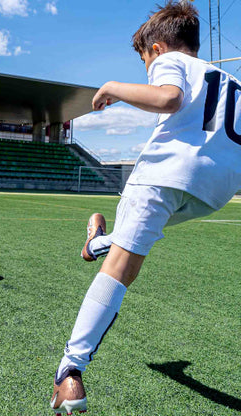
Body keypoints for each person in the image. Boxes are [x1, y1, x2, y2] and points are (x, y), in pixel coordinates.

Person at [50, 1, 241, 414]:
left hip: (165, 173)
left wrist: (113, 87)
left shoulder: (169, 59)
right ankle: (98, 242)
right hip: (213, 191)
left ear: (156, 48)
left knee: (122, 268)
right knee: (133, 245)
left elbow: (168, 98)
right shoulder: (230, 80)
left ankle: (70, 369)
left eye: (144, 61)